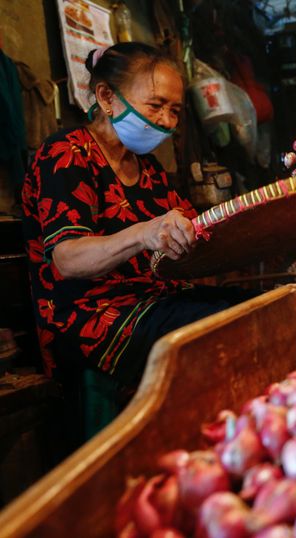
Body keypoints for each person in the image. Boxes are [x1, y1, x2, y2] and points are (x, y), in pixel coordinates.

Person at [21, 42, 257, 404]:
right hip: (91, 317)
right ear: (106, 97)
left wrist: (261, 226)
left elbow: (195, 231)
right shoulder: (67, 155)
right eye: (156, 105)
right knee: (227, 325)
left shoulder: (148, 169)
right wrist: (144, 234)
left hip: (152, 301)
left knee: (255, 305)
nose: (166, 120)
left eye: (174, 110)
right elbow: (66, 259)